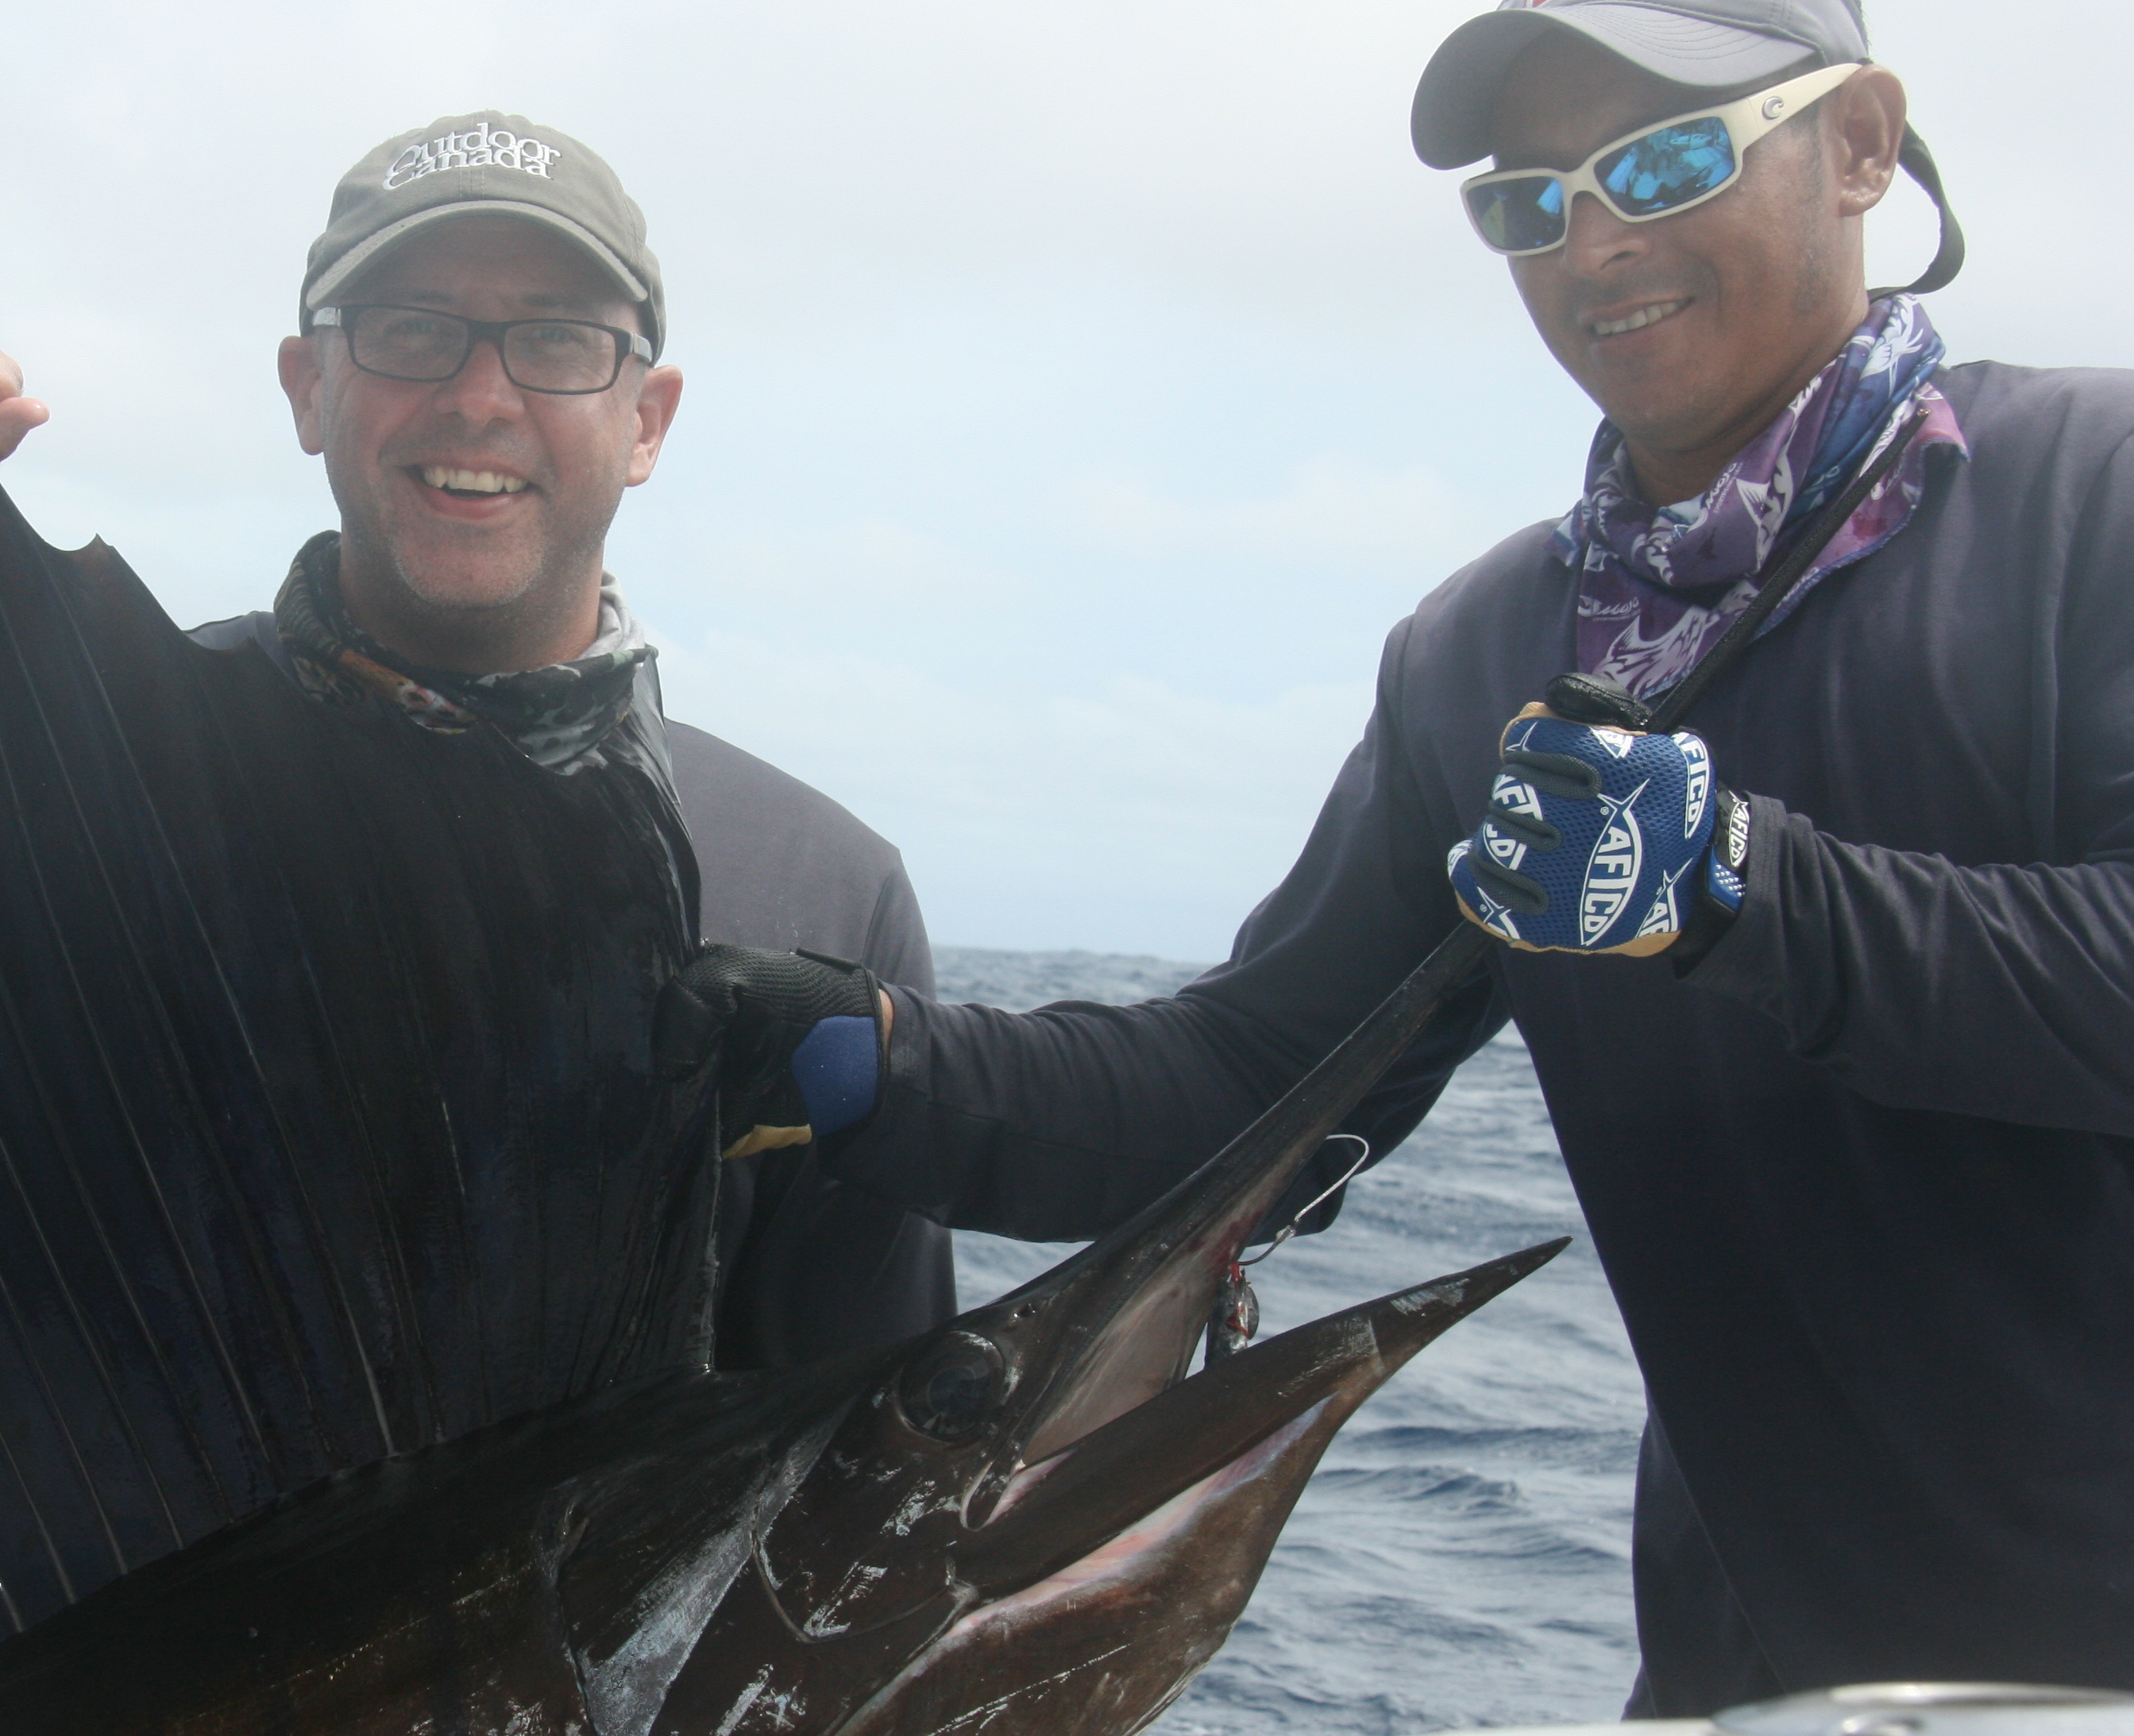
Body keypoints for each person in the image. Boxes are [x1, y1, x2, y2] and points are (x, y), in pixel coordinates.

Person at [668, 0, 2134, 1710]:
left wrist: (1740, 890)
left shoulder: (2092, 492)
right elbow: (1254, 1090)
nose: (1594, 243)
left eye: (1666, 161)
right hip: (1765, 1680)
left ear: (1864, 143)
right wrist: (872, 1066)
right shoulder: (1488, 656)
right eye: (1529, 201)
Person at [0, 113, 950, 1373]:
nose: (479, 399)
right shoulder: (79, 784)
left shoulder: (816, 896)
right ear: (308, 388)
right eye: (410, 330)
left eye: (556, 342)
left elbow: (831, 1449)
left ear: (648, 417)